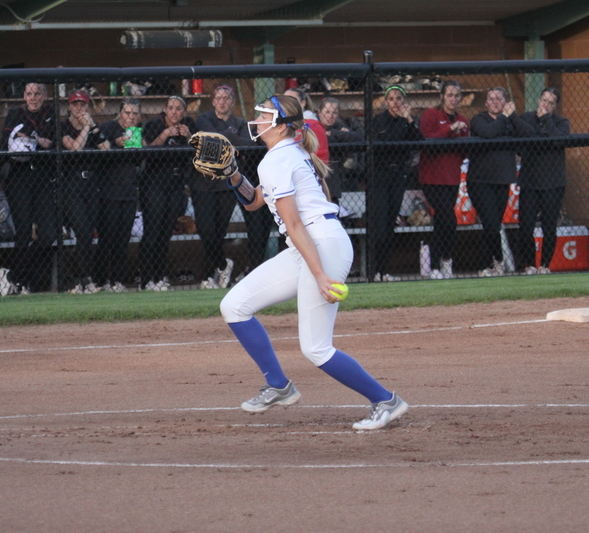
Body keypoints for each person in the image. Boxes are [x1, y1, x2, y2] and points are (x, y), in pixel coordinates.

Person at [220, 94, 409, 430]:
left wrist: (320, 274)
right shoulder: (286, 154)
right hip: (313, 244)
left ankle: (385, 400)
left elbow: (293, 223)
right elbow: (253, 201)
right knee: (234, 305)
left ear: (280, 126)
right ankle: (278, 385)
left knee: (316, 348)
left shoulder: (278, 159)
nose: (259, 119)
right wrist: (233, 173)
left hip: (318, 246)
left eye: (265, 114)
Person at [468, 86, 534, 277]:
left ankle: (490, 264)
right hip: (480, 180)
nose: (495, 102)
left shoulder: (510, 122)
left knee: (494, 224)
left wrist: (512, 116)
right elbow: (488, 133)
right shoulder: (479, 119)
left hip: (502, 180)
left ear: (505, 102)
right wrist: (505, 118)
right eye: (491, 98)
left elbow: (529, 134)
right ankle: (494, 261)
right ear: (486, 102)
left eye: (499, 99)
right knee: (489, 221)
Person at [193, 85, 254, 289]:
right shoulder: (204, 118)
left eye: (226, 98)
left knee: (219, 232)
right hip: (203, 183)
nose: (222, 102)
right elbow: (212, 140)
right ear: (213, 101)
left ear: (232, 101)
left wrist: (226, 139)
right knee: (206, 230)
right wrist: (231, 141)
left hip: (227, 185)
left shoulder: (240, 122)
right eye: (218, 98)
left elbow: (248, 146)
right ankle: (222, 264)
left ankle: (209, 276)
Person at [0, 82, 57, 295]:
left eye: (37, 94)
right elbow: (7, 140)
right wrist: (37, 139)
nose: (33, 98)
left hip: (42, 177)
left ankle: (16, 275)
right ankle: (20, 282)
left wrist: (32, 137)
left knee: (48, 235)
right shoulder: (15, 113)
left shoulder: (51, 112)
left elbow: (53, 142)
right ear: (24, 95)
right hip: (19, 176)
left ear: (44, 95)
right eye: (29, 94)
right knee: (23, 232)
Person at [140, 95, 197, 291]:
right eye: (171, 108)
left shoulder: (189, 125)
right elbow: (147, 151)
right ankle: (146, 279)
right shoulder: (154, 125)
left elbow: (199, 151)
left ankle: (160, 276)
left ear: (184, 112)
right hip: (154, 183)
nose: (174, 112)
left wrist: (189, 136)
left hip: (176, 184)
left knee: (166, 232)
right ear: (165, 109)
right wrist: (166, 134)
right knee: (152, 231)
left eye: (178, 109)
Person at [369, 85, 424, 282]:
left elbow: (419, 142)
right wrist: (403, 122)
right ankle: (374, 270)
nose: (395, 103)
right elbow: (389, 141)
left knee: (391, 223)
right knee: (380, 226)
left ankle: (384, 271)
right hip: (380, 177)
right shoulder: (379, 120)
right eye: (391, 99)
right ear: (386, 101)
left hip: (398, 176)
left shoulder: (407, 122)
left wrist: (409, 120)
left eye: (399, 99)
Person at [515, 88, 571, 275]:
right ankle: (530, 265)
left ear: (555, 106)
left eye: (550, 102)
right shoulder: (526, 118)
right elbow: (519, 146)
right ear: (538, 100)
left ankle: (545, 265)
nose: (545, 105)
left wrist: (547, 119)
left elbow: (558, 141)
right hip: (530, 180)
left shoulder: (561, 122)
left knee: (549, 226)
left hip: (553, 182)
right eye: (543, 100)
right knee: (526, 226)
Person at [418, 80, 470, 280]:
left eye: (457, 95)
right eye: (449, 95)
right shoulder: (431, 114)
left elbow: (465, 151)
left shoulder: (463, 119)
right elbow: (428, 140)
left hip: (452, 177)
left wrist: (461, 131)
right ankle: (440, 262)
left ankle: (441, 265)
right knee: (449, 218)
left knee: (443, 220)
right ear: (442, 96)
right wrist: (450, 130)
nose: (453, 99)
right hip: (431, 178)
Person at [60, 89, 110, 294]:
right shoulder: (63, 126)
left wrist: (93, 127)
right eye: (75, 104)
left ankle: (85, 278)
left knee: (88, 233)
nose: (79, 108)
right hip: (71, 185)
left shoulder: (93, 126)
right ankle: (81, 277)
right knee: (81, 230)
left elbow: (106, 148)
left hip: (91, 185)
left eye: (82, 105)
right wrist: (86, 128)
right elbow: (75, 147)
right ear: (69, 107)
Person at [94, 97, 143, 292]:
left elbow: (138, 160)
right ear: (120, 113)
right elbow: (103, 155)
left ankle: (118, 280)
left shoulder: (137, 132)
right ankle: (101, 280)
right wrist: (117, 143)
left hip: (129, 192)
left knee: (123, 239)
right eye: (127, 113)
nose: (130, 117)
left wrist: (136, 143)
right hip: (108, 193)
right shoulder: (109, 127)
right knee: (107, 237)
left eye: (134, 114)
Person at [318, 97, 364, 197]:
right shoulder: (315, 126)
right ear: (320, 113)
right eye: (327, 112)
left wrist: (334, 134)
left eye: (334, 113)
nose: (330, 116)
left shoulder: (338, 128)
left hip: (336, 174)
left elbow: (358, 139)